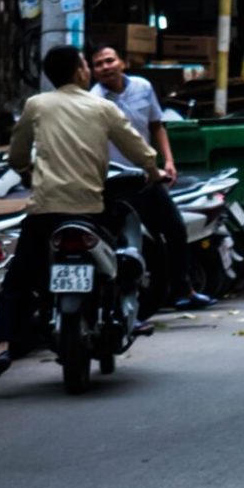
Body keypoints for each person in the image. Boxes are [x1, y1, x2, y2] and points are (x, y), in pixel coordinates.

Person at [0, 45, 160, 392]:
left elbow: (16, 154)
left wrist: (28, 171)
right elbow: (137, 146)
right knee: (122, 259)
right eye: (86, 65)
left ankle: (2, 349)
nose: (89, 69)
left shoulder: (36, 105)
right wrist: (153, 169)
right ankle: (125, 316)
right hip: (90, 209)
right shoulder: (102, 107)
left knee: (15, 284)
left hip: (45, 211)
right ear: (79, 72)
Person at [88, 46, 207, 312]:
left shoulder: (142, 86)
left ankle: (184, 289)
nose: (105, 67)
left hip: (149, 175)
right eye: (99, 64)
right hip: (116, 182)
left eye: (110, 61)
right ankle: (129, 304)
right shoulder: (94, 101)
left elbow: (156, 125)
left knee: (175, 229)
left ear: (122, 62)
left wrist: (169, 160)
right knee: (131, 242)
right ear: (93, 71)